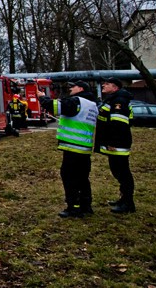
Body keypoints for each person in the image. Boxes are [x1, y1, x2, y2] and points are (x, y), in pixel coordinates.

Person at [40, 81, 99, 218]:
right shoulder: (92, 105)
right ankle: (86, 205)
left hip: (72, 147)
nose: (71, 88)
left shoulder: (77, 101)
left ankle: (74, 208)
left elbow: (54, 106)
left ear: (81, 88)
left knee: (70, 178)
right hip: (84, 148)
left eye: (74, 86)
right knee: (83, 178)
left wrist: (42, 96)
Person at [96, 78, 135, 214]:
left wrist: (112, 142)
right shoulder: (113, 99)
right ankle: (124, 199)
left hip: (118, 143)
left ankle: (128, 203)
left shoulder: (119, 101)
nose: (103, 85)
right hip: (115, 143)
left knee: (123, 173)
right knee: (118, 172)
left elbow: (119, 124)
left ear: (115, 87)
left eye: (106, 84)